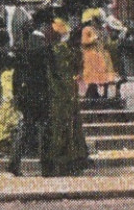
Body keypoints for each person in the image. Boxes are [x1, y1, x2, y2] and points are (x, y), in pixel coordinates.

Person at [44, 19, 90, 175]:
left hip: (63, 92)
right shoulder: (64, 51)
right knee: (66, 127)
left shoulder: (61, 51)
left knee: (65, 127)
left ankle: (65, 160)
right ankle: (67, 160)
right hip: (64, 92)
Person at [9, 26, 53, 177]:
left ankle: (14, 162)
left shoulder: (22, 53)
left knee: (25, 128)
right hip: (40, 94)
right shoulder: (44, 53)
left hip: (25, 94)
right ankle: (46, 166)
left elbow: (16, 77)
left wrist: (16, 96)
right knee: (44, 129)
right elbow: (49, 75)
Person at [78, 10, 121, 100]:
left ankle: (105, 94)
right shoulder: (87, 29)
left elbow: (107, 42)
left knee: (105, 76)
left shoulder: (103, 30)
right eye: (96, 20)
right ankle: (91, 93)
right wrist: (93, 39)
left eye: (99, 21)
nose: (97, 23)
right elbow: (84, 42)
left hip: (102, 55)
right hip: (90, 56)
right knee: (91, 76)